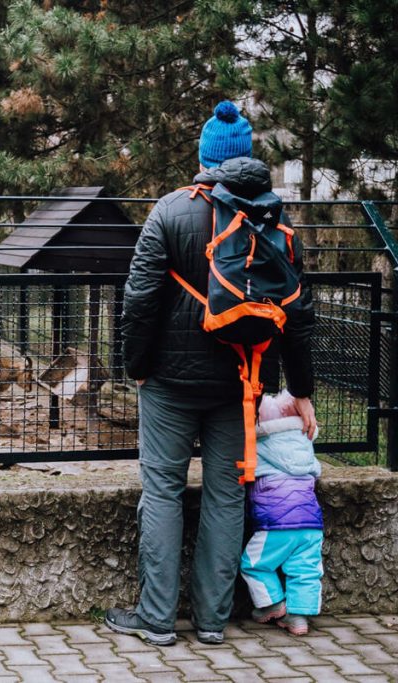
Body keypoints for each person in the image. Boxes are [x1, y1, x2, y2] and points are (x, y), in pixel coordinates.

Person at [104, 101, 316, 646]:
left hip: (170, 383)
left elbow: (140, 299)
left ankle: (155, 620)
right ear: (245, 157)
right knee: (225, 496)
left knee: (163, 492)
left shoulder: (170, 211)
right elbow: (297, 314)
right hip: (242, 384)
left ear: (203, 157)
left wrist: (138, 367)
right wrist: (304, 390)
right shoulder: (275, 221)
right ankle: (213, 621)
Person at [240, 389, 323, 636]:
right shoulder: (304, 447)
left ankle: (272, 604)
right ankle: (298, 617)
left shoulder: (261, 444)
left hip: (275, 526)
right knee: (306, 569)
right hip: (311, 525)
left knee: (253, 564)